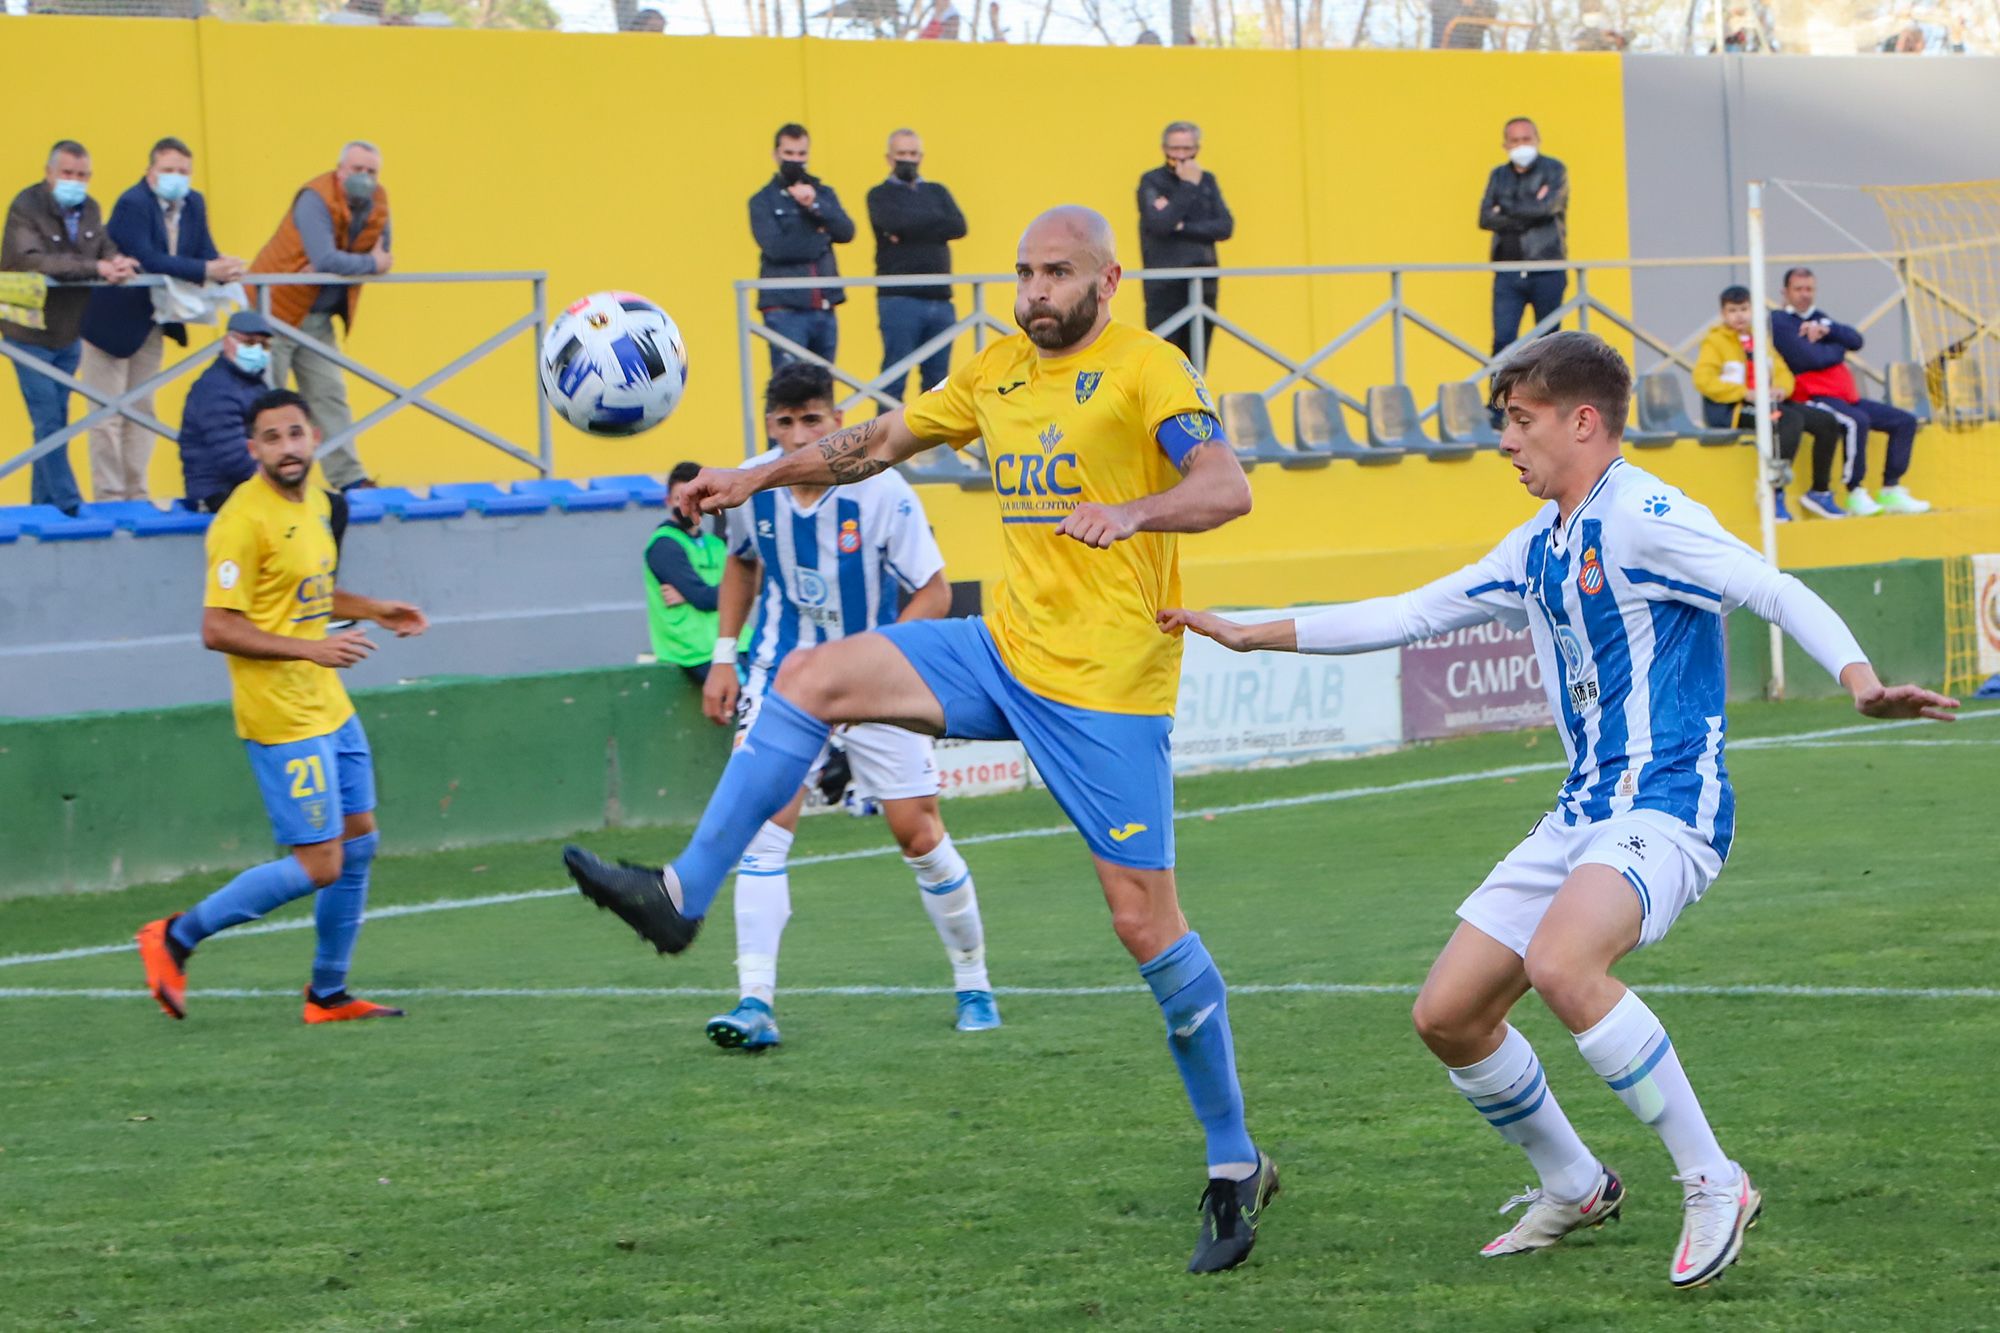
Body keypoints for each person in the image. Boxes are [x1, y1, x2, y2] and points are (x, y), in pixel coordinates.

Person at [1160, 331, 1957, 1290]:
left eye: (1520, 420)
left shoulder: (1647, 514)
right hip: (1581, 812)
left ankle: (1715, 1180)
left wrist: (1860, 679)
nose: (1505, 440)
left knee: (1564, 963)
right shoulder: (1537, 544)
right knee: (1450, 1015)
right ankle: (1575, 1182)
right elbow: (1411, 613)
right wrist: (1251, 634)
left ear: (1583, 421)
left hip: (1669, 801)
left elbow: (1770, 585)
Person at [562, 206, 1276, 1274]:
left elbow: (1227, 487)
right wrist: (750, 477)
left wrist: (1132, 513)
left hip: (1107, 687)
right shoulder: (992, 371)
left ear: (1107, 280)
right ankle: (681, 896)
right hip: (1000, 648)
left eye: (1056, 274)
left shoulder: (1147, 370)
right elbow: (872, 443)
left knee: (1144, 925)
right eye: (1024, 273)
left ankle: (1234, 1160)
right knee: (806, 676)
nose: (1034, 291)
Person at [695, 361, 1001, 1050]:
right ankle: (754, 1000)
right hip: (781, 673)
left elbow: (934, 590)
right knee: (763, 825)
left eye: (812, 419)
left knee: (917, 834)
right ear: (770, 426)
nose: (798, 431)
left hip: (870, 677)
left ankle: (974, 980)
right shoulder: (752, 485)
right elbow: (741, 563)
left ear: (837, 422)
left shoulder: (882, 491)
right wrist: (724, 653)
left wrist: (882, 662)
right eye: (785, 421)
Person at [135, 389, 431, 1025]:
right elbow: (217, 628)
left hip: (328, 703)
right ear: (253, 449)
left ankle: (328, 994)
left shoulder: (323, 505)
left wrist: (377, 609)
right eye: (272, 438)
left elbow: (310, 595)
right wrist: (311, 650)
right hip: (280, 714)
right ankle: (176, 937)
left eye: (295, 433)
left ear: (314, 436)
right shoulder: (241, 521)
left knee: (358, 842)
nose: (287, 448)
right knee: (320, 864)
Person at [79, 136, 246, 504]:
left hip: (154, 320)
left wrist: (224, 266)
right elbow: (147, 257)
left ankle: (137, 494)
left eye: (183, 171)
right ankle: (109, 496)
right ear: (150, 173)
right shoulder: (132, 203)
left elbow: (204, 250)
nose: (176, 177)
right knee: (106, 413)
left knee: (141, 409)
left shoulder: (194, 203)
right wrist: (205, 269)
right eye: (168, 170)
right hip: (111, 322)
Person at [3, 139, 135, 515]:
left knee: (55, 420)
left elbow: (104, 247)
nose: (75, 181)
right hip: (26, 333)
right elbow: (30, 261)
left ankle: (39, 508)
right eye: (68, 173)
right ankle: (69, 503)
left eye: (82, 175)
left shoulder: (91, 208)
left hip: (68, 332)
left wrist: (117, 261)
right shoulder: (25, 206)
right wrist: (96, 268)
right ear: (49, 174)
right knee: (48, 418)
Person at [252, 141, 392, 493]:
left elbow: (385, 255)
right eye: (357, 170)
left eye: (371, 172)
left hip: (317, 316)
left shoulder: (379, 203)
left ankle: (349, 478)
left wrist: (357, 264)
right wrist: (368, 264)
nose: (364, 178)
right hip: (274, 311)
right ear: (339, 170)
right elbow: (328, 258)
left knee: (329, 393)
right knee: (266, 400)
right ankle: (260, 480)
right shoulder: (314, 198)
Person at [1770, 268, 1928, 517]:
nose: (1804, 295)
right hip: (1813, 396)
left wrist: (1828, 330)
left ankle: (1890, 488)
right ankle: (1855, 491)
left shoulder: (1820, 319)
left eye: (1809, 289)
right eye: (1798, 289)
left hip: (1846, 395)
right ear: (1785, 292)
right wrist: (1837, 349)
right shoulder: (1779, 321)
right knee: (1856, 422)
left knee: (1904, 421)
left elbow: (1855, 340)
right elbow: (1806, 358)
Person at [1693, 285, 1844, 522]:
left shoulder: (1761, 339)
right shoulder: (1714, 343)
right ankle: (1774, 491)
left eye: (1744, 309)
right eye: (1732, 310)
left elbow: (1782, 371)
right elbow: (1703, 380)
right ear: (1723, 314)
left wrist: (1782, 389)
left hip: (1768, 401)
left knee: (1825, 421)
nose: (1739, 315)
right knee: (1789, 420)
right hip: (1734, 408)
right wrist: (1743, 393)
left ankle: (1820, 490)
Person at [866, 129, 967, 403]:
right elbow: (893, 223)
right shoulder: (879, 195)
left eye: (912, 154)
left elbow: (958, 226)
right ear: (889, 158)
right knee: (893, 378)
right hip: (899, 299)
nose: (907, 160)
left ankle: (935, 446)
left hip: (941, 299)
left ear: (921, 157)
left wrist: (909, 228)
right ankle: (883, 445)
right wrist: (934, 224)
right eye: (901, 154)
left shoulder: (937, 191)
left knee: (938, 384)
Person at [751, 124, 854, 376]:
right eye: (789, 153)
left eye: (801, 154)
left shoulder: (823, 193)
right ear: (776, 155)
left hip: (825, 307)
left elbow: (846, 232)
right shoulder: (762, 200)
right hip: (785, 309)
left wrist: (814, 204)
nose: (795, 160)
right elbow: (775, 248)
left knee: (823, 388)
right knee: (788, 388)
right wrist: (819, 239)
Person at [1137, 122, 1233, 366]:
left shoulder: (1208, 181)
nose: (1181, 156)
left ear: (1197, 149)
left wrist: (1183, 227)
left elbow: (1224, 226)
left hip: (1203, 285)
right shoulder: (1151, 181)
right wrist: (1188, 186)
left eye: (1187, 149)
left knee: (1196, 364)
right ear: (1164, 148)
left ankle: (1194, 405)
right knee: (1162, 362)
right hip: (1164, 285)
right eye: (1175, 148)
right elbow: (1160, 224)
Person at [1480, 118, 1569, 360]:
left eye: (1526, 139)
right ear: (1505, 145)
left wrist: (1505, 207)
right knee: (1503, 341)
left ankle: (1549, 397)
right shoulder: (1498, 175)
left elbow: (1548, 208)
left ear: (1537, 140)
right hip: (1508, 272)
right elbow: (1485, 218)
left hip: (1546, 268)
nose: (1521, 145)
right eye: (1515, 140)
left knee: (1551, 343)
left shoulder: (1554, 170)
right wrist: (1531, 206)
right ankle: (1499, 397)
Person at [176, 311, 275, 513]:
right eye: (249, 343)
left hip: (243, 487)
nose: (257, 350)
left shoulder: (252, 383)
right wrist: (278, 483)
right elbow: (233, 457)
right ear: (227, 342)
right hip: (216, 492)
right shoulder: (216, 388)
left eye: (263, 345)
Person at [647, 460, 727, 684]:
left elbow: (750, 587)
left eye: (693, 498)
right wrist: (715, 594)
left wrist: (691, 595)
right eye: (678, 499)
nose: (686, 505)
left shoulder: (715, 544)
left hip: (734, 642)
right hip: (694, 650)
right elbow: (704, 598)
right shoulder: (664, 545)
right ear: (667, 501)